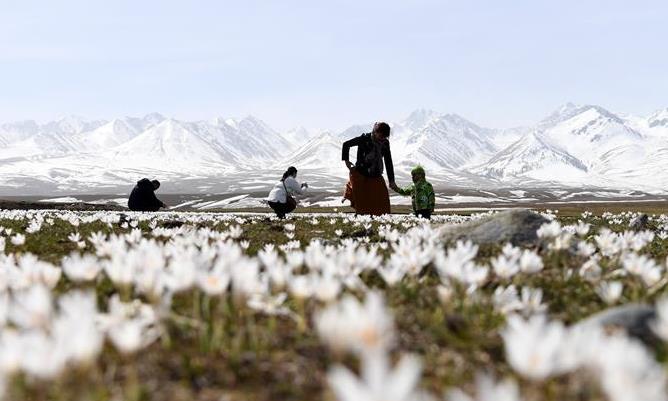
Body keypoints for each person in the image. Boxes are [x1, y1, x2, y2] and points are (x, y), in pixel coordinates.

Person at [342, 122, 398, 216]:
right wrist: (346, 161)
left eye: (385, 137)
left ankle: (381, 220)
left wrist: (392, 181)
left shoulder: (385, 143)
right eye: (381, 136)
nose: (382, 138)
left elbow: (388, 161)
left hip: (376, 174)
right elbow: (346, 144)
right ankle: (361, 219)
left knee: (382, 201)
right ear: (375, 132)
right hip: (361, 174)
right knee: (362, 202)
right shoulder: (364, 139)